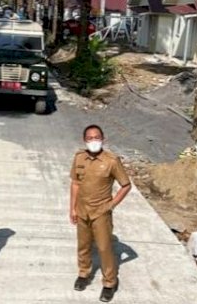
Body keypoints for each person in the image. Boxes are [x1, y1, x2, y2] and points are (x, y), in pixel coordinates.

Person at [70, 124, 132, 302]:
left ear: (103, 139)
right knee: (83, 245)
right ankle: (84, 274)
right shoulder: (79, 158)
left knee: (104, 248)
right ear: (84, 140)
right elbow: (75, 184)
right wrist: (72, 208)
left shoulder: (111, 161)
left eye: (96, 137)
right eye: (89, 138)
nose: (93, 141)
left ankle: (110, 283)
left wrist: (111, 205)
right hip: (82, 210)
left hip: (101, 212)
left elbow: (126, 185)